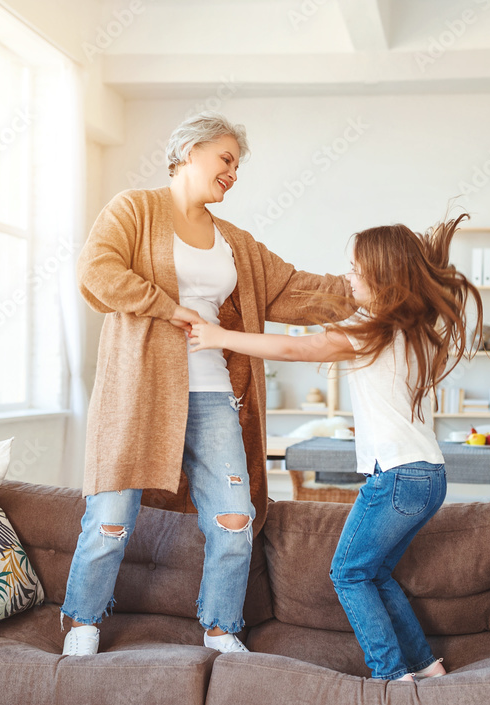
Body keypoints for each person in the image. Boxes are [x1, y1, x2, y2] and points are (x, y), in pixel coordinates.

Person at [62, 112, 352, 657]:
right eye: (226, 159)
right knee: (110, 520)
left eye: (237, 165)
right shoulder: (135, 209)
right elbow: (95, 270)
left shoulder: (234, 242)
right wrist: (166, 307)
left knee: (235, 520)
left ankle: (220, 627)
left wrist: (360, 287)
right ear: (189, 152)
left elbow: (293, 288)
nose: (233, 173)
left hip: (216, 394)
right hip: (140, 394)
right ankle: (83, 619)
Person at [189, 218, 482, 681]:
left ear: (382, 277)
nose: (347, 277)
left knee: (348, 574)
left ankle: (391, 674)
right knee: (374, 573)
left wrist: (217, 337)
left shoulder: (371, 332)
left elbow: (293, 349)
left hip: (398, 477)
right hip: (428, 475)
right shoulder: (414, 331)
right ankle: (426, 666)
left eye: (354, 269)